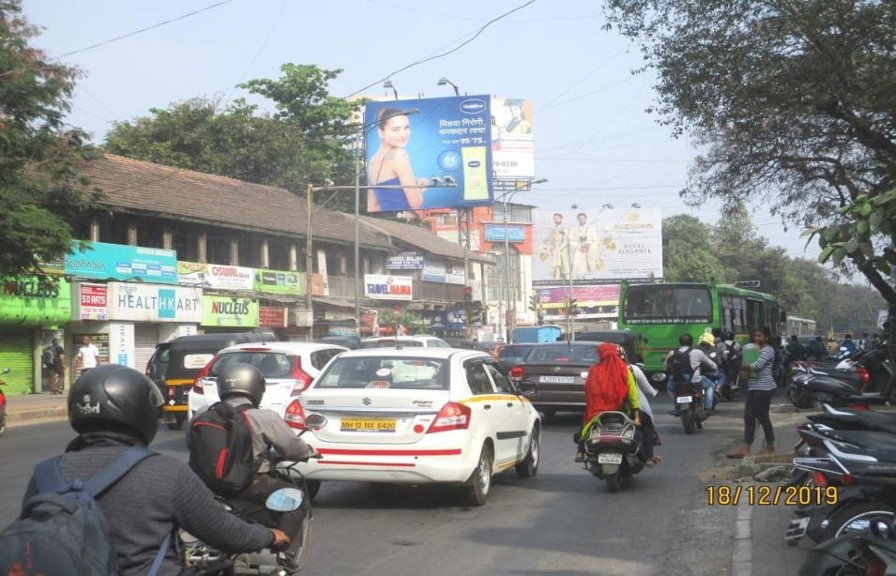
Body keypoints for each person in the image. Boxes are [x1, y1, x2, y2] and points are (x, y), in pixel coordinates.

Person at [20, 364, 286, 575]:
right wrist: (268, 535)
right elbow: (224, 531)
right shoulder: (164, 472)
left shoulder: (46, 473)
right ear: (139, 412)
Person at [193, 362, 319, 569]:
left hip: (207, 486)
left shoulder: (203, 414)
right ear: (255, 386)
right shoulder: (264, 417)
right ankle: (283, 552)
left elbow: (192, 444)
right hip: (254, 485)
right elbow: (293, 449)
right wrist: (310, 451)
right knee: (296, 500)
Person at [574, 343, 640, 462]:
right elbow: (632, 395)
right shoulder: (625, 370)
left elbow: (589, 392)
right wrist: (636, 416)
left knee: (585, 426)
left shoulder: (594, 370)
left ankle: (580, 451)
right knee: (645, 426)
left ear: (600, 355)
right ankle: (647, 456)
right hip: (621, 410)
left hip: (597, 411)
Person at [727, 327, 777, 458]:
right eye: (755, 336)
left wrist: (745, 366)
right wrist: (743, 367)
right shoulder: (751, 349)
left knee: (763, 418)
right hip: (753, 387)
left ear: (766, 337)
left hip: (764, 388)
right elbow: (744, 364)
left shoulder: (768, 350)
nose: (756, 338)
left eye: (759, 336)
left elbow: (757, 365)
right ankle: (745, 449)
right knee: (748, 417)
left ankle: (770, 447)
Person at [367, 107, 429, 212]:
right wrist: (420, 189)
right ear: (380, 133)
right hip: (406, 220)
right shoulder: (398, 154)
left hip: (386, 221)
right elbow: (415, 203)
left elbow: (372, 205)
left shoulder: (373, 160)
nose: (403, 134)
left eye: (406, 128)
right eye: (396, 130)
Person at [664, 333, 718, 415]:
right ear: (692, 343)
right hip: (695, 381)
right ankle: (708, 408)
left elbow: (665, 366)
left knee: (669, 385)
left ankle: (677, 406)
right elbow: (711, 364)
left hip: (677, 381)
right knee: (710, 385)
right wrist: (715, 367)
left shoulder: (672, 353)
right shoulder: (698, 352)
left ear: (680, 343)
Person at [627, 352, 662, 467]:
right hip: (629, 410)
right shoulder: (631, 370)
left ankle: (581, 451)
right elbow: (641, 391)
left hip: (603, 410)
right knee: (647, 423)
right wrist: (654, 392)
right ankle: (649, 456)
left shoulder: (597, 370)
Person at [539, 212, 570, 280]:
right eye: (554, 219)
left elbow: (566, 240)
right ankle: (557, 279)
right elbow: (550, 239)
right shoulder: (553, 228)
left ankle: (568, 280)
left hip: (563, 249)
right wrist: (550, 247)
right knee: (556, 266)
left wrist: (559, 248)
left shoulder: (564, 227)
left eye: (557, 218)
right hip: (555, 249)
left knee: (565, 266)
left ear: (561, 218)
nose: (556, 220)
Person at [571, 212, 602, 279]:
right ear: (578, 220)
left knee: (588, 269)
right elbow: (571, 241)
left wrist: (588, 245)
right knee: (577, 268)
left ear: (586, 219)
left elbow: (596, 241)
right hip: (579, 251)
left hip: (589, 251)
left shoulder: (591, 229)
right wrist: (580, 247)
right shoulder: (573, 230)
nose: (581, 220)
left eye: (583, 218)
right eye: (580, 219)